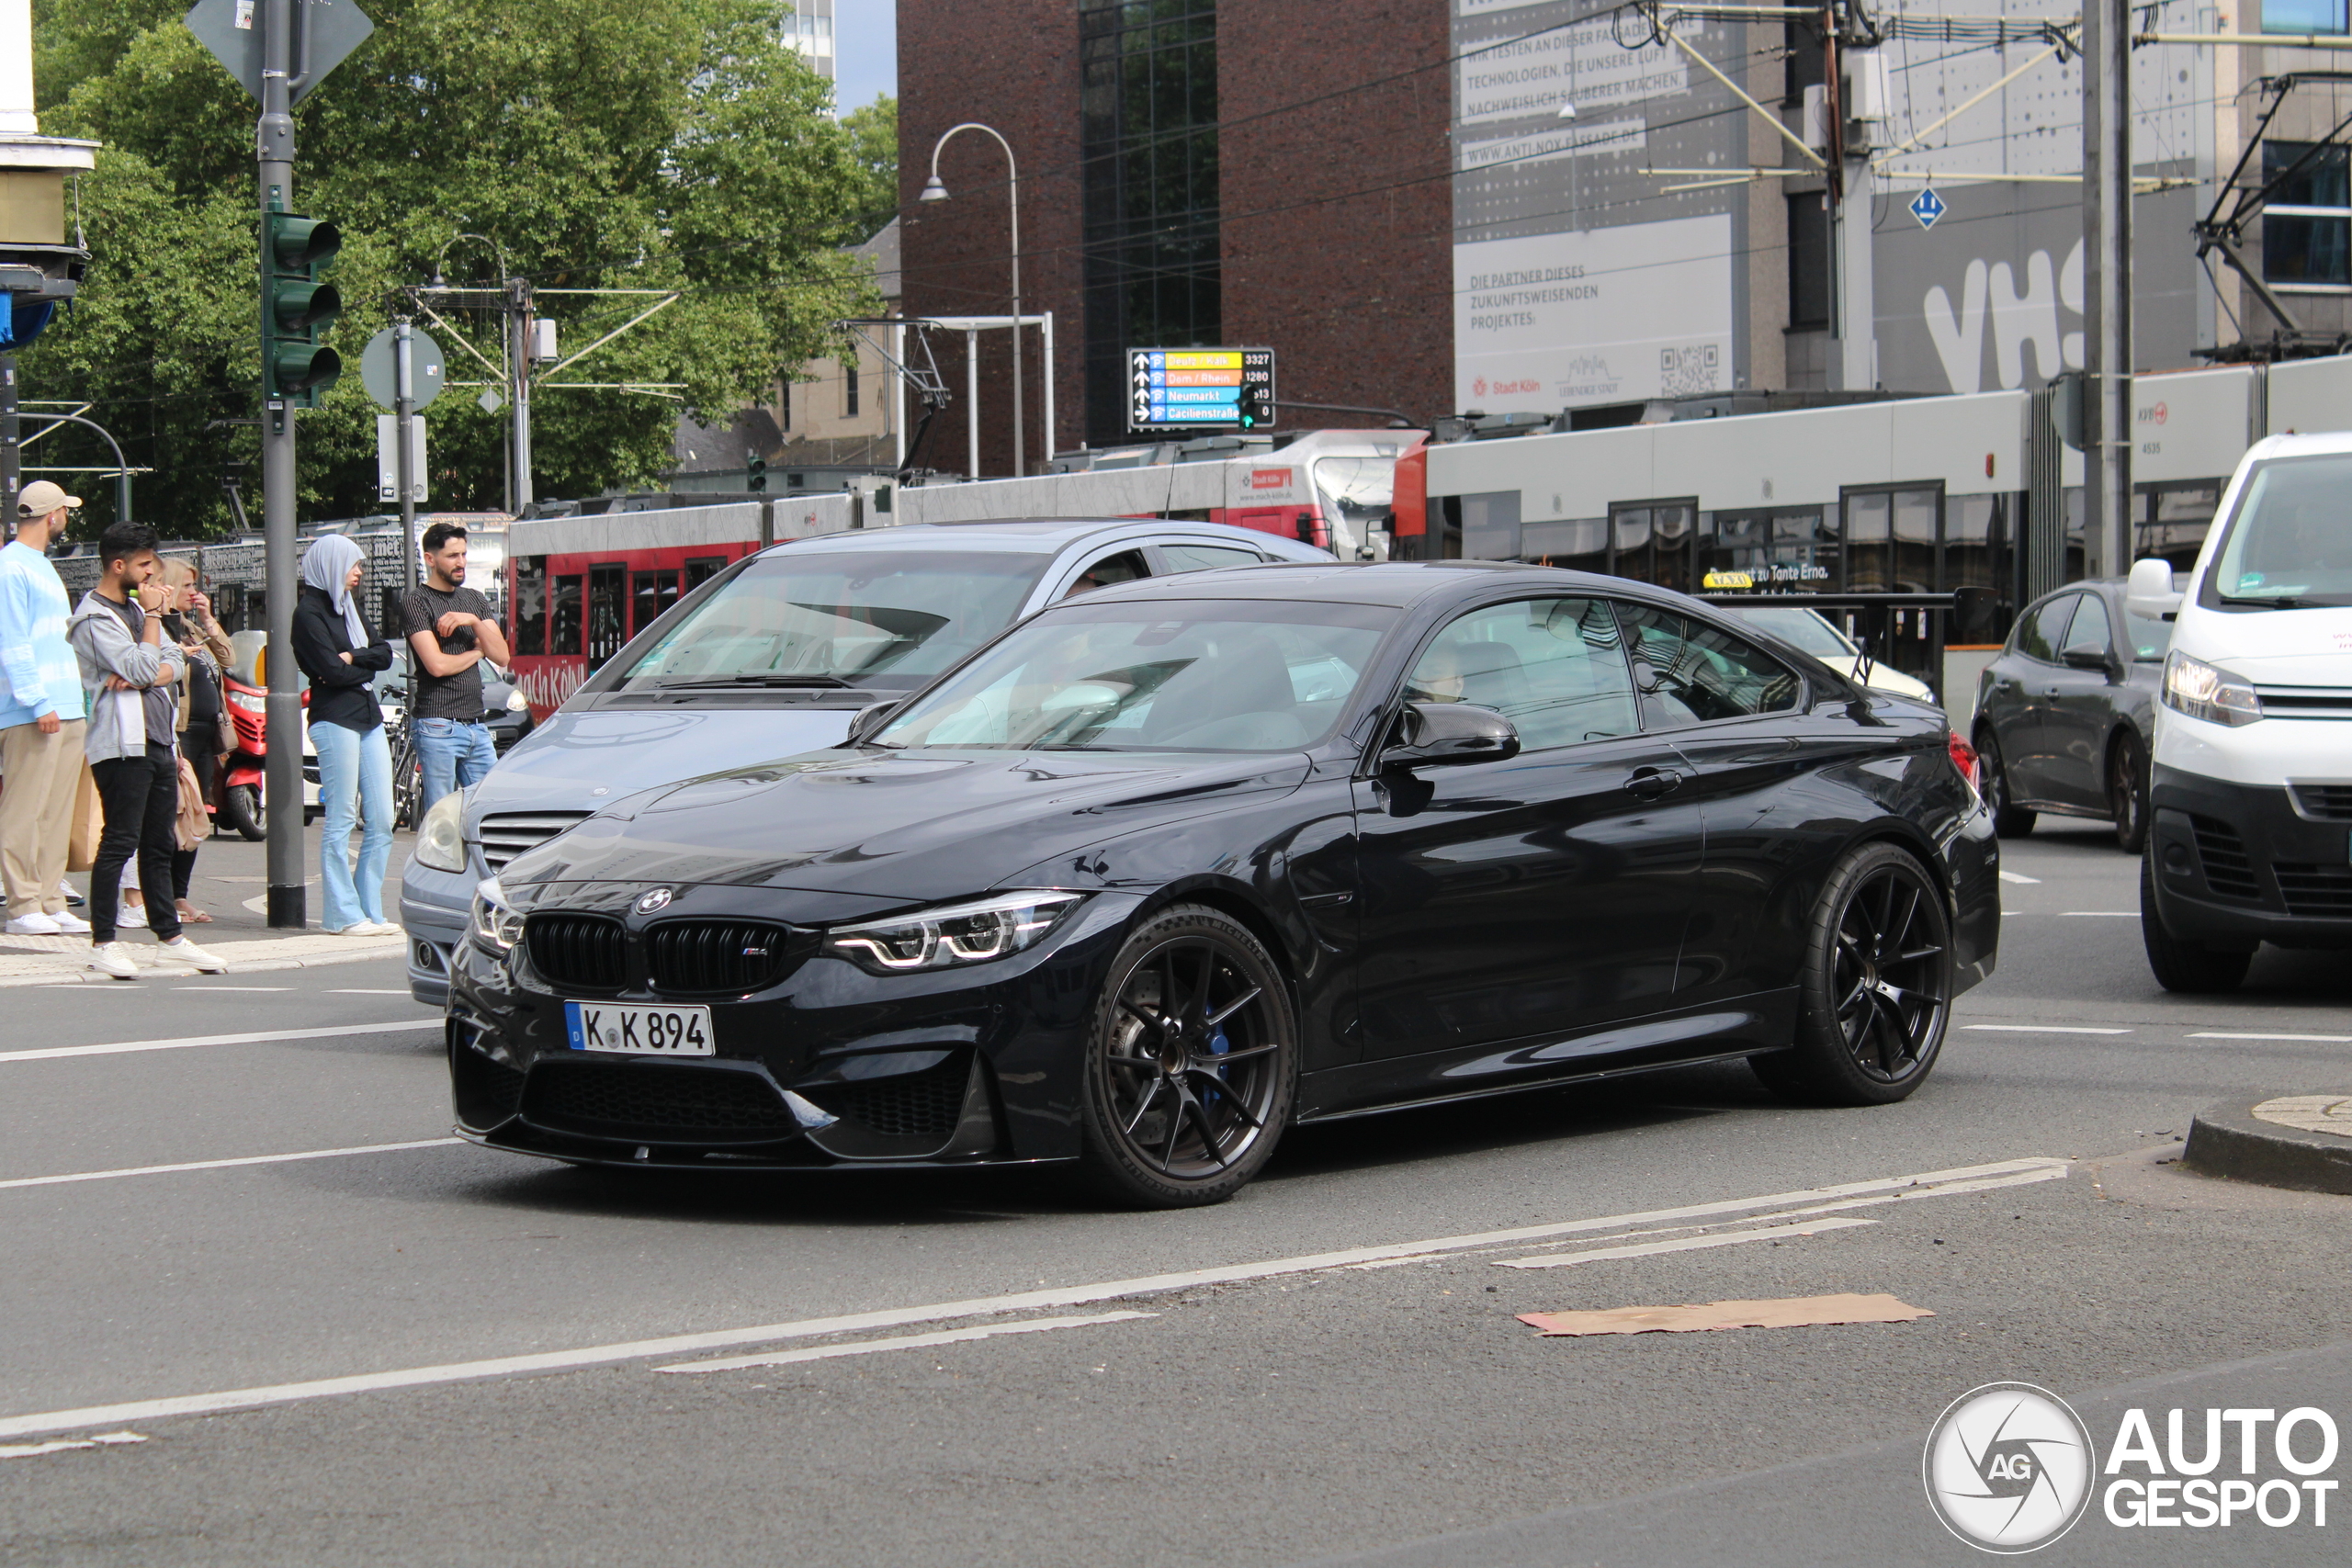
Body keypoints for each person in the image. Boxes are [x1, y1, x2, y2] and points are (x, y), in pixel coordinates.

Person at [67, 522, 226, 979]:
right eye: (143, 567)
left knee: (159, 844)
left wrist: (154, 665)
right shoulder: (93, 618)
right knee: (119, 841)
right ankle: (104, 941)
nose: (152, 579)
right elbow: (143, 663)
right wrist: (154, 633)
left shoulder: (138, 613)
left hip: (159, 739)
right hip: (120, 744)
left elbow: (178, 660)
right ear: (118, 565)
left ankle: (169, 936)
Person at [0, 481, 93, 936]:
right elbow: (11, 640)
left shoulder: (40, 565)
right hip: (32, 708)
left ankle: (51, 898)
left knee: (56, 810)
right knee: (26, 808)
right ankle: (22, 904)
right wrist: (36, 700)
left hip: (64, 705)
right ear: (52, 515)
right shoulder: (10, 567)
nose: (67, 519)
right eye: (65, 511)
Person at [294, 536, 398, 935]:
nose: (358, 573)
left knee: (384, 818)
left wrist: (355, 658)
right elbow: (330, 674)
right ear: (332, 565)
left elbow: (383, 654)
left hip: (366, 716)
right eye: (353, 565)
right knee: (340, 817)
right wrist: (360, 667)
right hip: (334, 717)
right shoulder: (307, 614)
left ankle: (368, 908)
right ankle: (341, 913)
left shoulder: (348, 608)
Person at [399, 521, 508, 815]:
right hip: (438, 724)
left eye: (463, 554)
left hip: (476, 724)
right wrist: (476, 652)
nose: (461, 563)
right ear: (430, 559)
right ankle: (436, 863)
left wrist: (472, 621)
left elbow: (502, 656)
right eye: (452, 556)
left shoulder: (473, 599)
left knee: (490, 810)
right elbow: (436, 665)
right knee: (442, 817)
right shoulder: (416, 602)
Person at [160, 558, 232, 924]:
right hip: (180, 731)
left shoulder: (189, 626)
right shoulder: (158, 626)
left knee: (195, 813)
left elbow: (228, 656)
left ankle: (179, 894)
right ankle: (161, 895)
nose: (194, 592)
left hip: (207, 731)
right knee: (173, 810)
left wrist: (208, 620)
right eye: (187, 585)